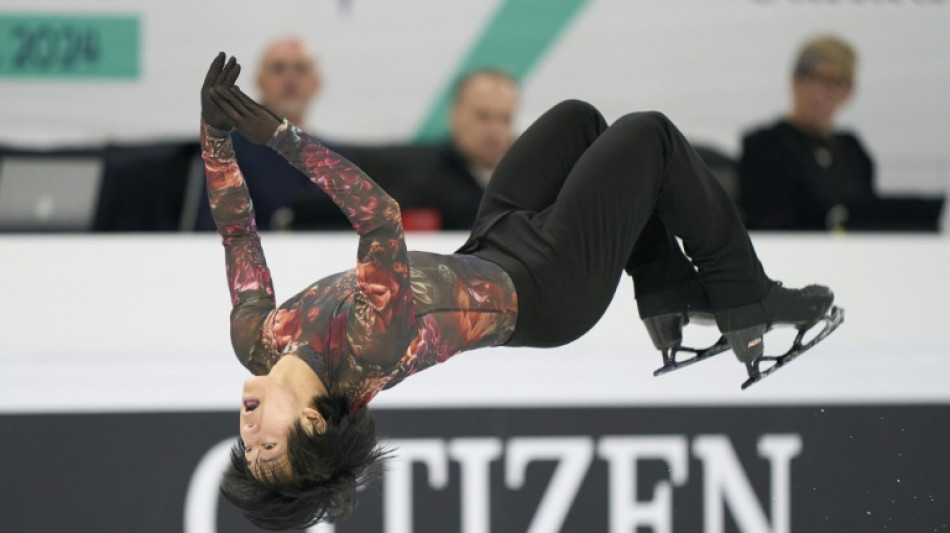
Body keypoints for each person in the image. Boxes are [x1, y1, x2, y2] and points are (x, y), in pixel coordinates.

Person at [199, 53, 840, 529]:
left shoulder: (257, 342)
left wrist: (216, 135)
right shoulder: (367, 348)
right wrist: (282, 137)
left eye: (246, 451)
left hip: (493, 245)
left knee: (578, 124)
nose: (248, 434)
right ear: (313, 421)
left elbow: (237, 235)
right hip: (550, 288)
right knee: (650, 137)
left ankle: (666, 286)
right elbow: (379, 217)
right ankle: (745, 295)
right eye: (269, 450)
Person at [194, 37, 349, 231]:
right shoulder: (227, 153)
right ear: (260, 82)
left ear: (316, 83)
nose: (290, 79)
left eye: (300, 69)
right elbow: (213, 232)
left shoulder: (336, 158)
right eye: (278, 68)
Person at [738, 35, 882, 231]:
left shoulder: (852, 150)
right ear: (795, 80)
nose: (820, 92)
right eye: (813, 79)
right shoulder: (765, 145)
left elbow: (868, 217)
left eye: (834, 82)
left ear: (849, 91)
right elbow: (767, 220)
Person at [404, 68, 519, 230]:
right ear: (454, 115)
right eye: (483, 116)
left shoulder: (528, 184)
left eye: (505, 119)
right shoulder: (422, 181)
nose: (495, 130)